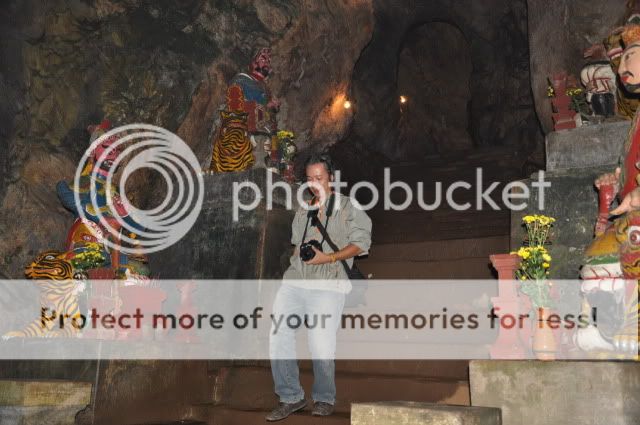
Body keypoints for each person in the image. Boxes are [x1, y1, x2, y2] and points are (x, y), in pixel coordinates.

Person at [266, 153, 372, 421]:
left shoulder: (348, 206)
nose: (314, 184)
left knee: (320, 341)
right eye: (309, 179)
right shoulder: (304, 211)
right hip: (295, 282)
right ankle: (291, 396)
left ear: (331, 178)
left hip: (329, 283)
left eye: (319, 178)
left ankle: (324, 397)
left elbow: (361, 243)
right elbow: (296, 246)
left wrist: (329, 258)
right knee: (278, 334)